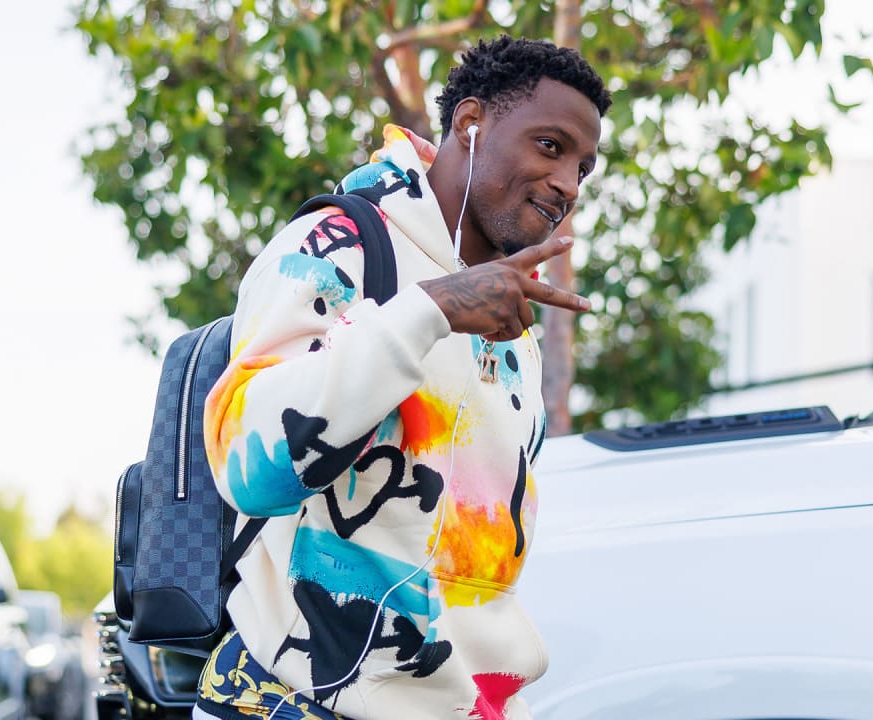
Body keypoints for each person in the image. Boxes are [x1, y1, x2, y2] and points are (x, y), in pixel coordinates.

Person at [197, 35, 611, 720]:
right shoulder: (337, 247)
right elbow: (248, 465)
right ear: (470, 122)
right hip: (295, 701)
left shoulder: (515, 324)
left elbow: (473, 568)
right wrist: (432, 310)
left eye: (584, 168)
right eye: (549, 146)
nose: (568, 183)